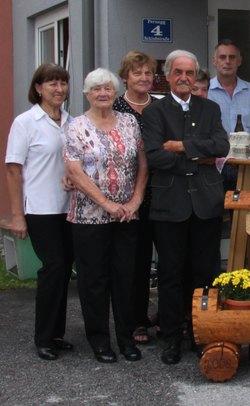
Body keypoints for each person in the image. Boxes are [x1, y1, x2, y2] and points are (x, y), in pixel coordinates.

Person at [142, 50, 230, 365]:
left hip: (205, 204)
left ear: (196, 78)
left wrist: (181, 147)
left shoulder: (209, 108)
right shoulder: (155, 113)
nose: (184, 78)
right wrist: (198, 157)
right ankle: (172, 337)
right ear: (167, 76)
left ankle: (200, 332)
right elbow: (154, 156)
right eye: (178, 72)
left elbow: (222, 146)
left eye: (189, 73)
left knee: (204, 271)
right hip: (170, 204)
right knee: (170, 273)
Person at [64, 68, 148, 363]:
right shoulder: (76, 126)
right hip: (88, 218)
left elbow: (142, 163)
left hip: (127, 216)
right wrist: (106, 203)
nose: (102, 93)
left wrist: (136, 200)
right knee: (94, 281)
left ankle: (126, 340)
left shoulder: (129, 122)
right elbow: (74, 170)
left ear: (115, 92)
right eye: (96, 89)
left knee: (125, 278)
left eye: (107, 88)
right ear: (87, 94)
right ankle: (100, 341)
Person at [5, 63, 74, 361]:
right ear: (38, 88)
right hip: (40, 208)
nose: (58, 89)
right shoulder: (25, 122)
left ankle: (56, 335)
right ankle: (43, 337)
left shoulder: (72, 121)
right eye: (51, 84)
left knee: (63, 271)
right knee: (54, 267)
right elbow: (12, 170)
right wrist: (17, 215)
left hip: (69, 209)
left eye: (62, 83)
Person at [113, 51, 157, 345]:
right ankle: (135, 320)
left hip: (163, 194)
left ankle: (168, 318)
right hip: (127, 196)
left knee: (169, 260)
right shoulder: (114, 109)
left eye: (148, 73)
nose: (143, 78)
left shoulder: (161, 108)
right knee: (135, 261)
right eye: (137, 73)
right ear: (125, 77)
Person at [208, 39, 250, 190]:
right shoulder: (204, 92)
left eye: (232, 57)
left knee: (243, 212)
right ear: (214, 60)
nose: (227, 61)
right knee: (215, 211)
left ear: (239, 61)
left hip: (246, 166)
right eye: (222, 57)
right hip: (214, 165)